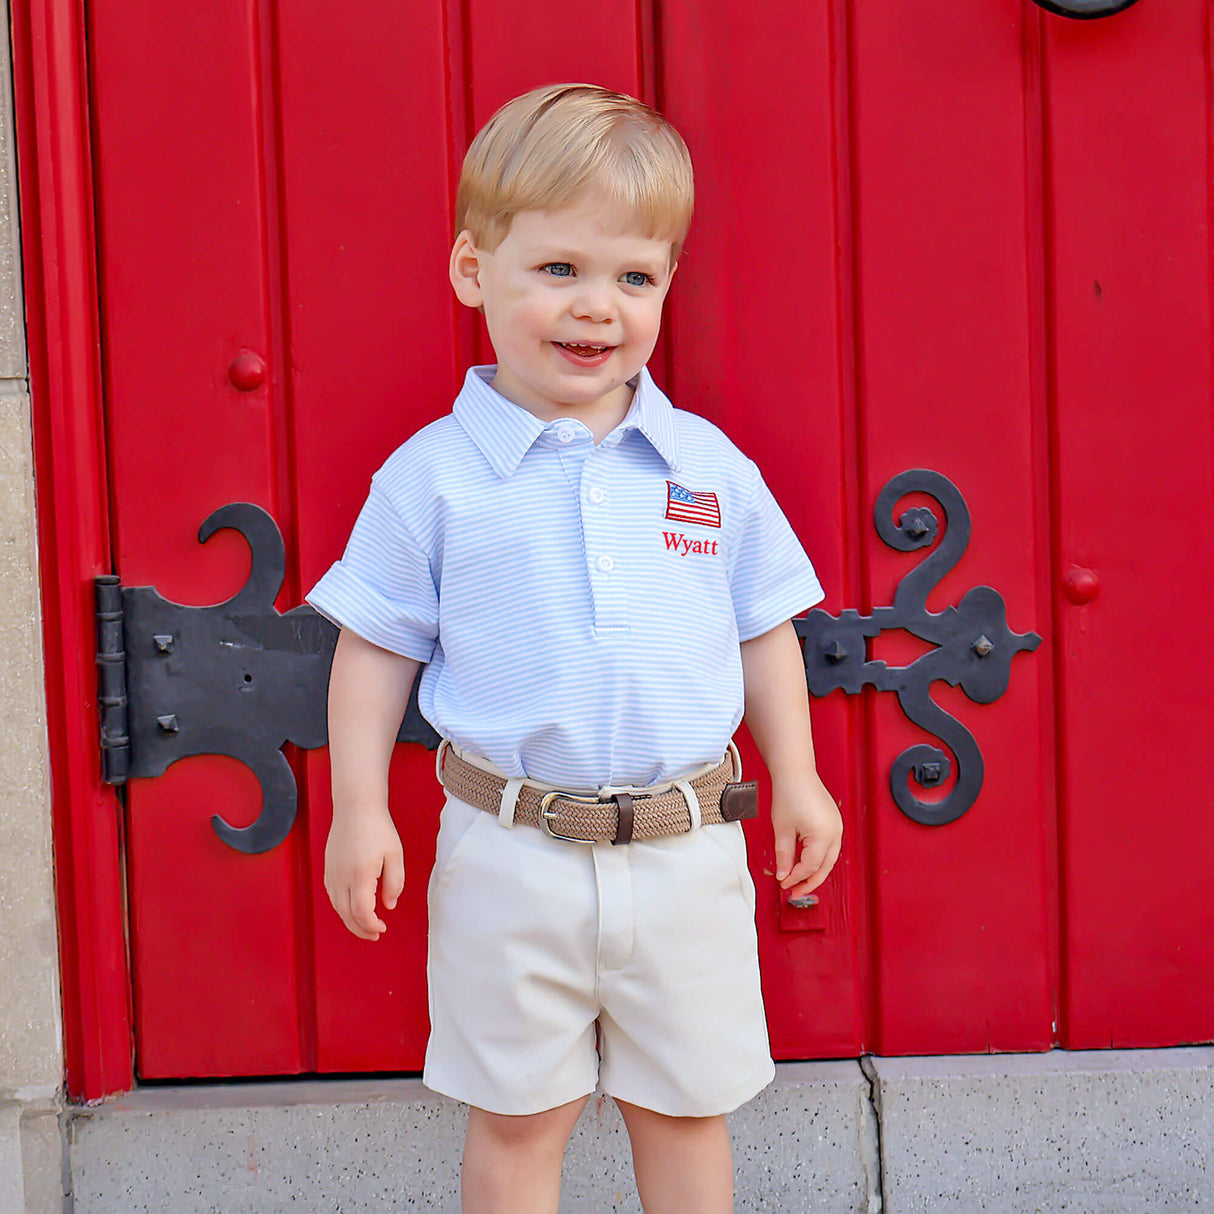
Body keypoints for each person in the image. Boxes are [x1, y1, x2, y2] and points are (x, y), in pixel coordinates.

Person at [307, 82, 843, 1214]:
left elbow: (762, 626)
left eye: (633, 277)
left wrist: (795, 775)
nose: (597, 306)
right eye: (559, 269)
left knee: (686, 1108)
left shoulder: (705, 467)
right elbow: (373, 651)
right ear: (473, 271)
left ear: (666, 284)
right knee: (516, 1119)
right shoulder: (432, 477)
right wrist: (360, 807)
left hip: (686, 848)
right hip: (511, 852)